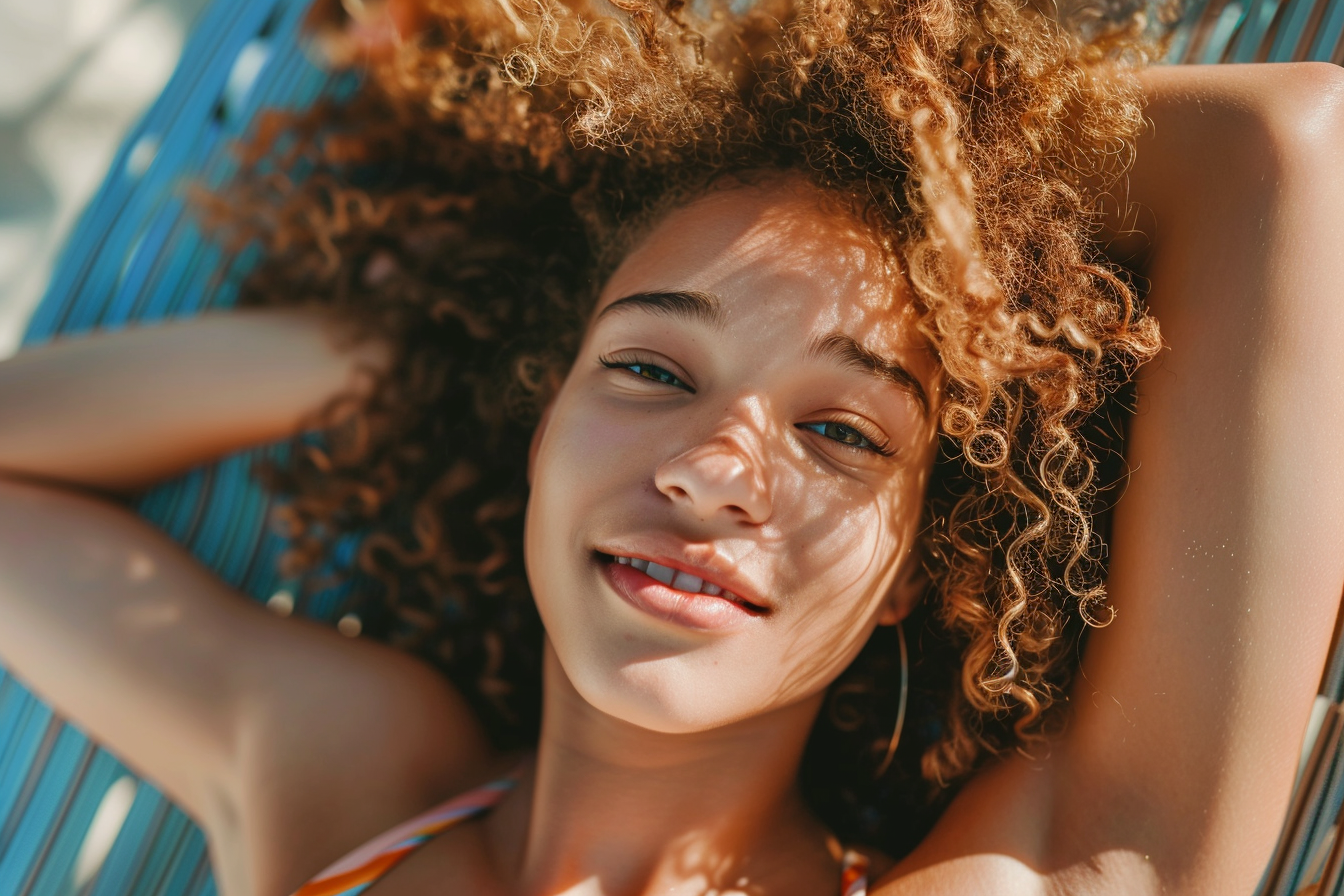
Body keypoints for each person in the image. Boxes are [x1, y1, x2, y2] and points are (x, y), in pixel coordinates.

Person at [0, 0, 1342, 893]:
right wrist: (427, 351)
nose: (709, 468)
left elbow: (1280, 150)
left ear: (921, 564)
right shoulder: (351, 779)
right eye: (646, 367)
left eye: (841, 432)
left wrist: (942, 155)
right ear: (542, 419)